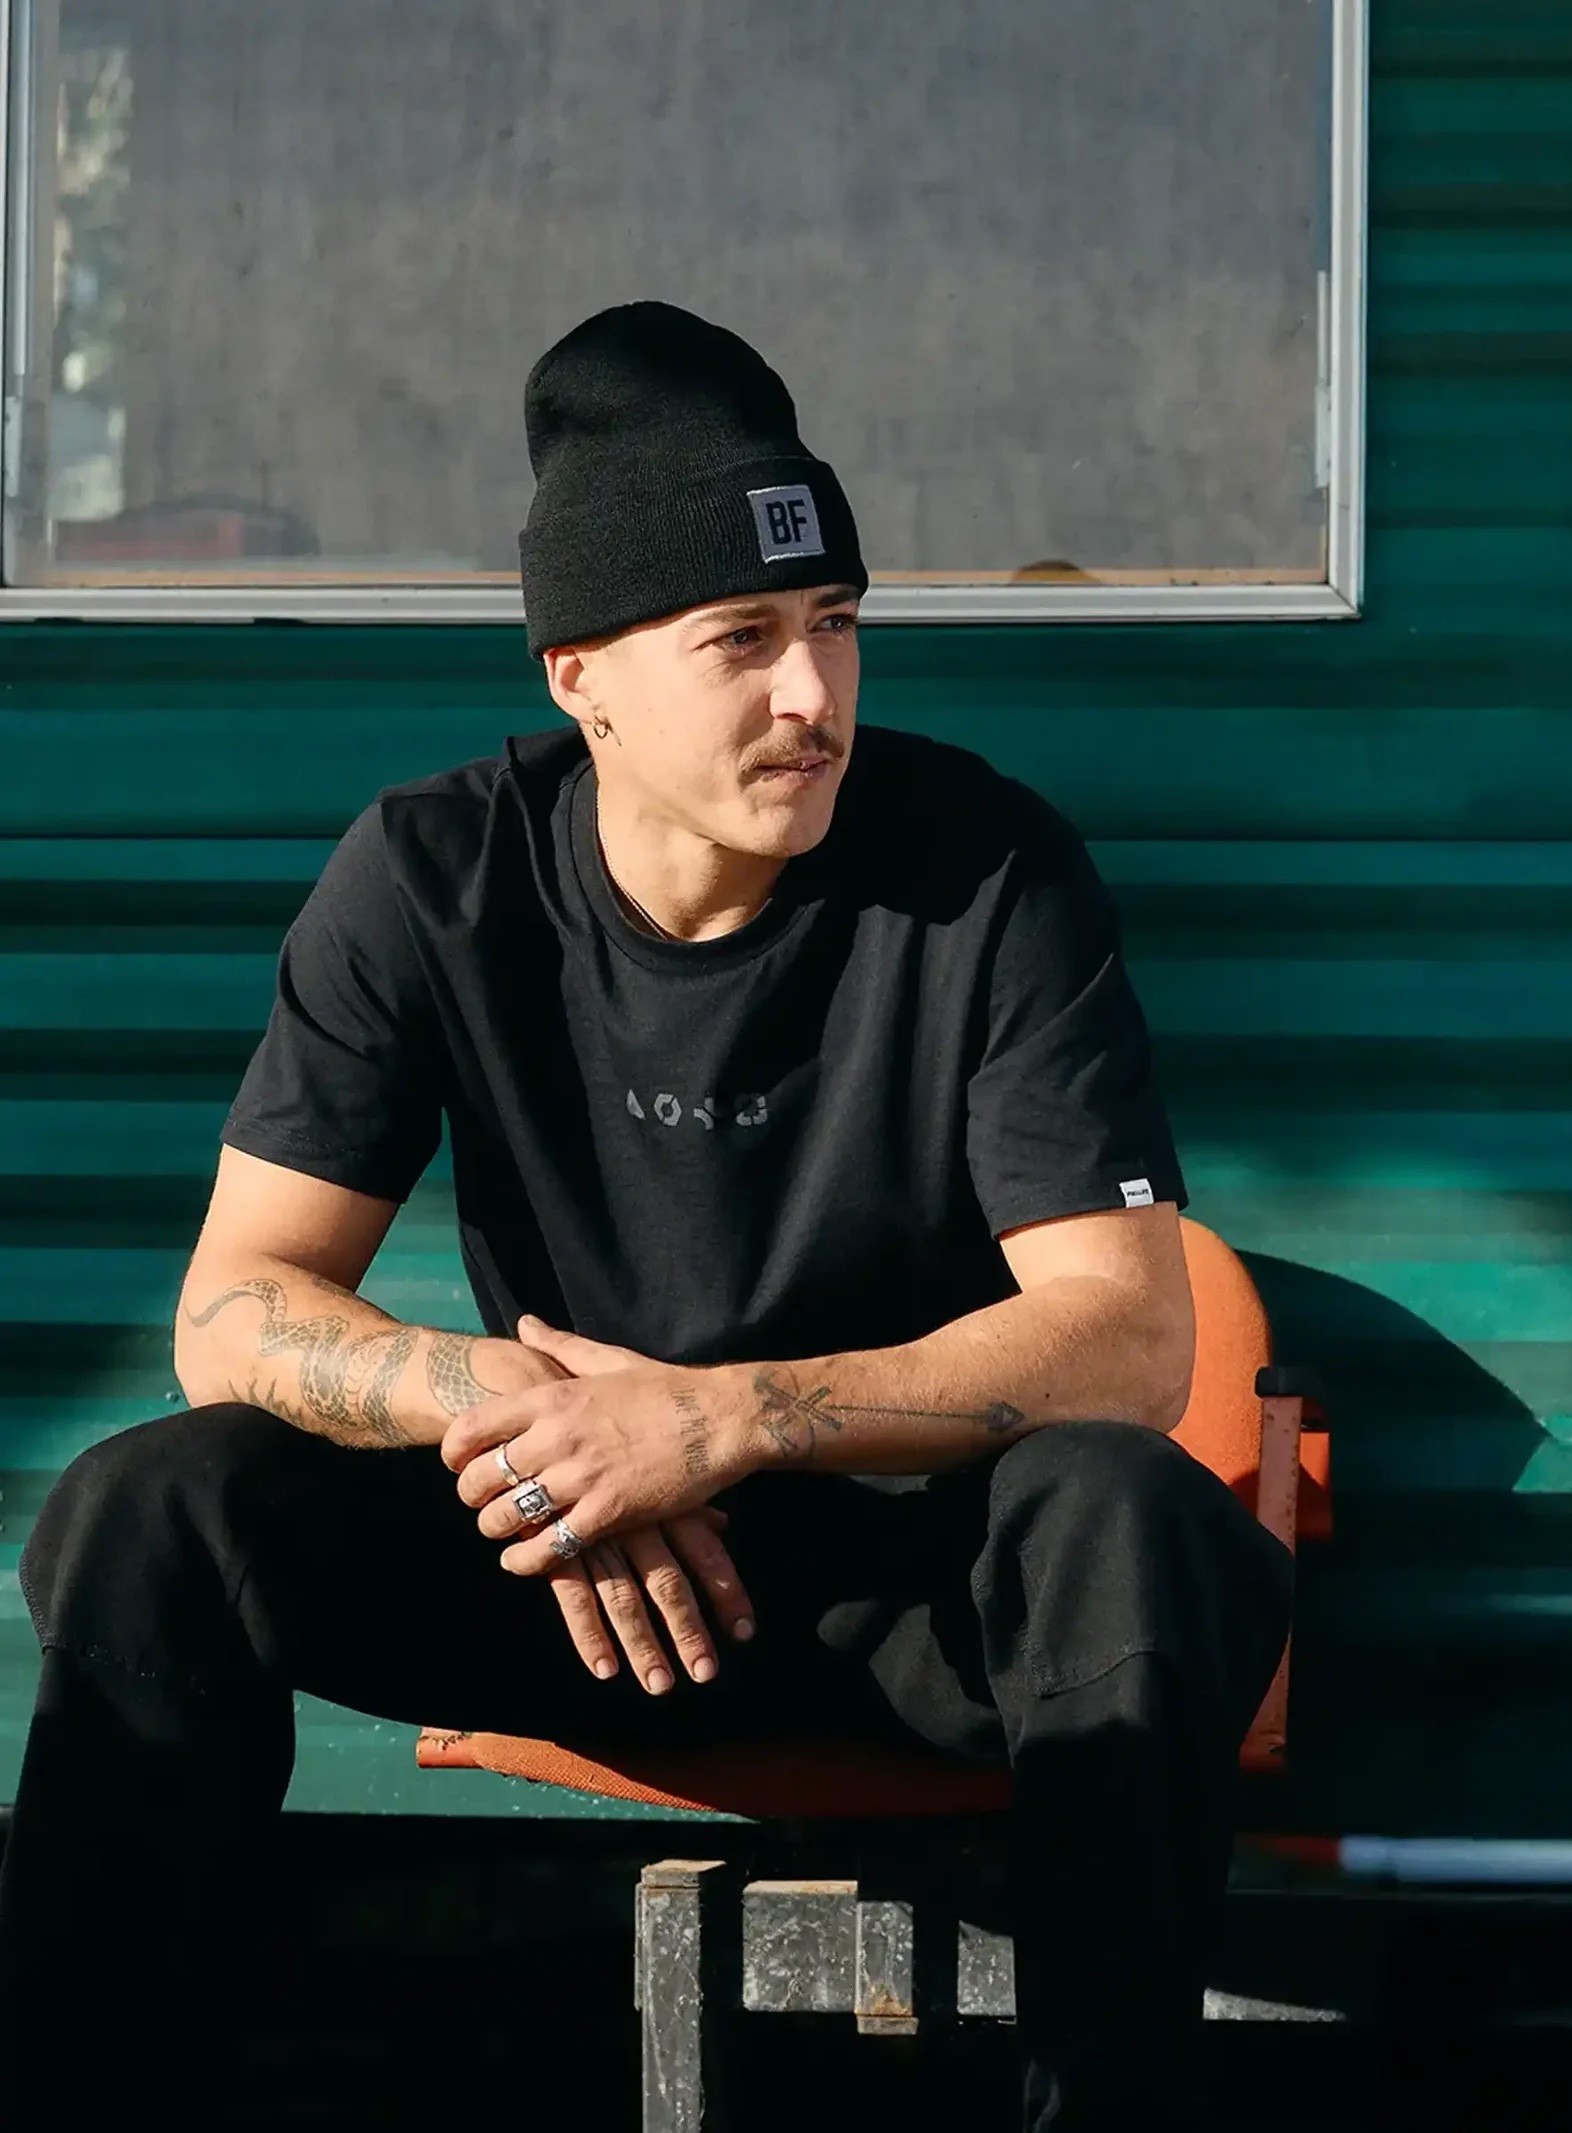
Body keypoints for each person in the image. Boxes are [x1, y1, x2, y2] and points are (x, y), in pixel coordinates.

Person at [0, 303, 1291, 2125]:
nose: (814, 694)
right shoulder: (431, 876)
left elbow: (1131, 1331)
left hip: (914, 1593)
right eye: (742, 639)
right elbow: (235, 1306)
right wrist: (525, 1427)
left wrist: (721, 1419)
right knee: (146, 1508)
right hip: (580, 1582)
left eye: (836, 622)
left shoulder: (990, 870)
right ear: (581, 673)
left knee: (1128, 1512)